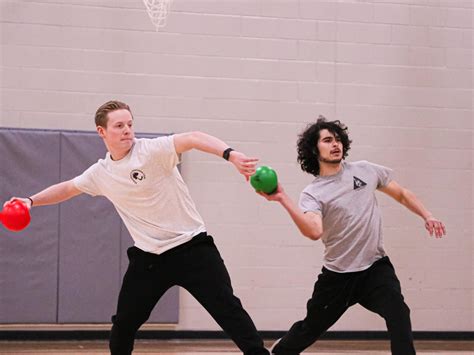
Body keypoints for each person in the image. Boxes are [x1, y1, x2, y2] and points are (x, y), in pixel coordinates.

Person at [5, 100, 269, 355]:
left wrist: (230, 154)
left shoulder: (152, 150)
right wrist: (30, 201)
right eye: (119, 126)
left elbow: (193, 137)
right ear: (102, 131)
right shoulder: (101, 173)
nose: (127, 130)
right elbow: (68, 188)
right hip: (150, 259)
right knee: (124, 324)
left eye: (129, 124)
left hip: (193, 250)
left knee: (229, 311)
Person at [257, 116, 446, 355]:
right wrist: (283, 198)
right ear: (314, 149)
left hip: (375, 268)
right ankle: (280, 351)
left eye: (338, 139)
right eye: (327, 140)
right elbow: (314, 231)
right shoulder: (313, 193)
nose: (335, 144)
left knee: (398, 312)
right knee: (309, 329)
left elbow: (401, 194)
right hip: (338, 277)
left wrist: (427, 215)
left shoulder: (365, 170)